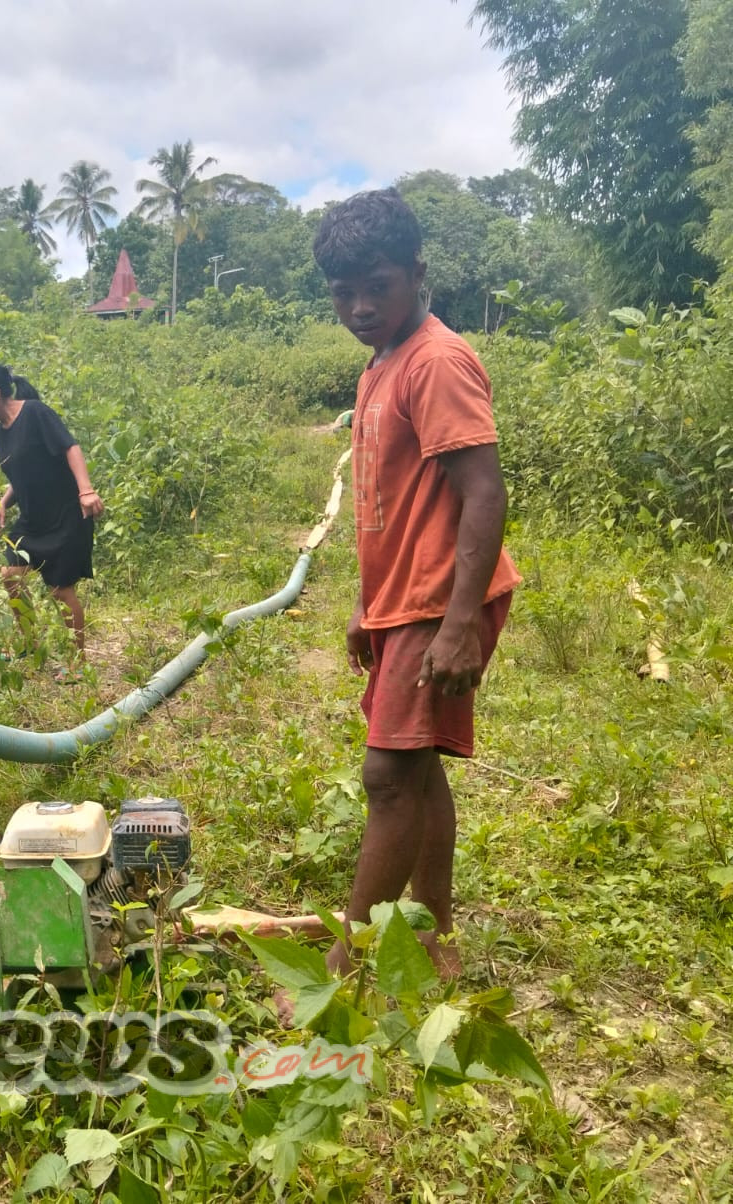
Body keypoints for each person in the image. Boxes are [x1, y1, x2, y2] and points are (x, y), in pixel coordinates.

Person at [311, 189, 521, 986]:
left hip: (443, 603)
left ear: (417, 273)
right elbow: (388, 499)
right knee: (419, 767)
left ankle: (348, 962)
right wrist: (371, 605)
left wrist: (459, 624)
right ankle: (435, 937)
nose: (361, 306)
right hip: (409, 602)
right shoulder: (382, 362)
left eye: (377, 285)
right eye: (343, 292)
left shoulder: (434, 361)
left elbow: (484, 492)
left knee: (388, 776)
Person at [0, 362, 104, 677]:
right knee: (9, 574)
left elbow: (70, 447)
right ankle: (30, 643)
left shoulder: (36, 413)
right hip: (32, 519)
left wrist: (86, 491)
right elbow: (22, 471)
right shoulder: (2, 432)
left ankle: (78, 665)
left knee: (60, 591)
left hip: (66, 515)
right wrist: (2, 504)